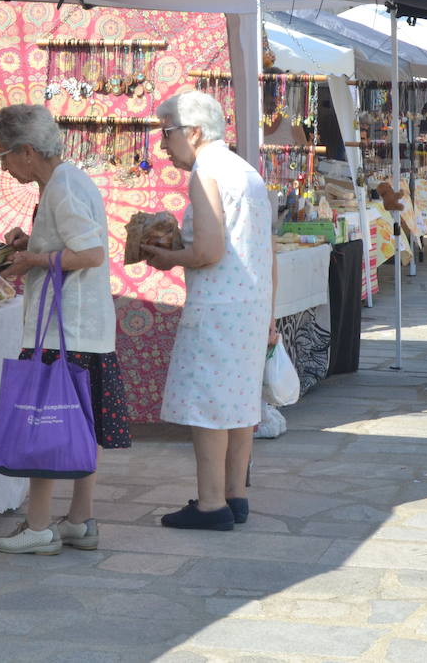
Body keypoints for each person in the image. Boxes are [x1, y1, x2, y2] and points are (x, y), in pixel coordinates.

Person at [0, 105, 129, 555]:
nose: (4, 166)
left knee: (42, 424)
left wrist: (33, 260)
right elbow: (76, 244)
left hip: (62, 329)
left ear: (28, 151)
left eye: (5, 156)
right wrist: (36, 245)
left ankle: (40, 526)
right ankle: (80, 521)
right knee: (78, 428)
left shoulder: (61, 189)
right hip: (85, 330)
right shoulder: (67, 182)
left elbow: (90, 254)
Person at [143, 92, 276, 531]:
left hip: (220, 305)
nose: (163, 145)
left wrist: (168, 257)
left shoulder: (207, 172)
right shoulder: (246, 170)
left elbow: (209, 251)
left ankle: (211, 503)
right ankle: (234, 495)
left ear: (194, 132)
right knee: (238, 405)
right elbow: (265, 252)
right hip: (251, 304)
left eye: (167, 133)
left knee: (209, 409)